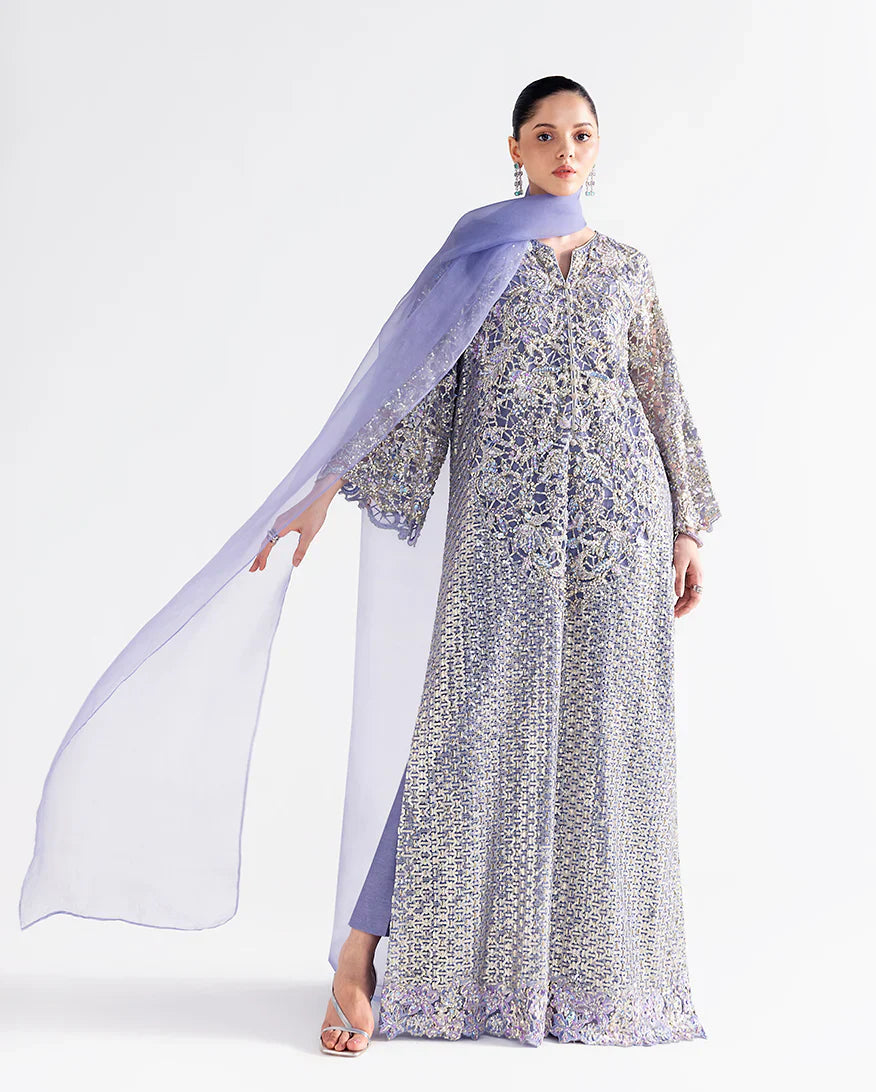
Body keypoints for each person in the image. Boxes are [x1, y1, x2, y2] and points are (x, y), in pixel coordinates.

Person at [246, 77, 722, 1053]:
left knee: (605, 752)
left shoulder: (629, 271)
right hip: (503, 540)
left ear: (598, 146)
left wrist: (687, 527)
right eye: (545, 134)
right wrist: (325, 490)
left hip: (618, 538)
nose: (565, 150)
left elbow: (661, 397)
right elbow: (408, 388)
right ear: (515, 147)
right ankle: (360, 953)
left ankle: (580, 985)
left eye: (580, 134)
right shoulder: (480, 264)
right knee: (458, 742)